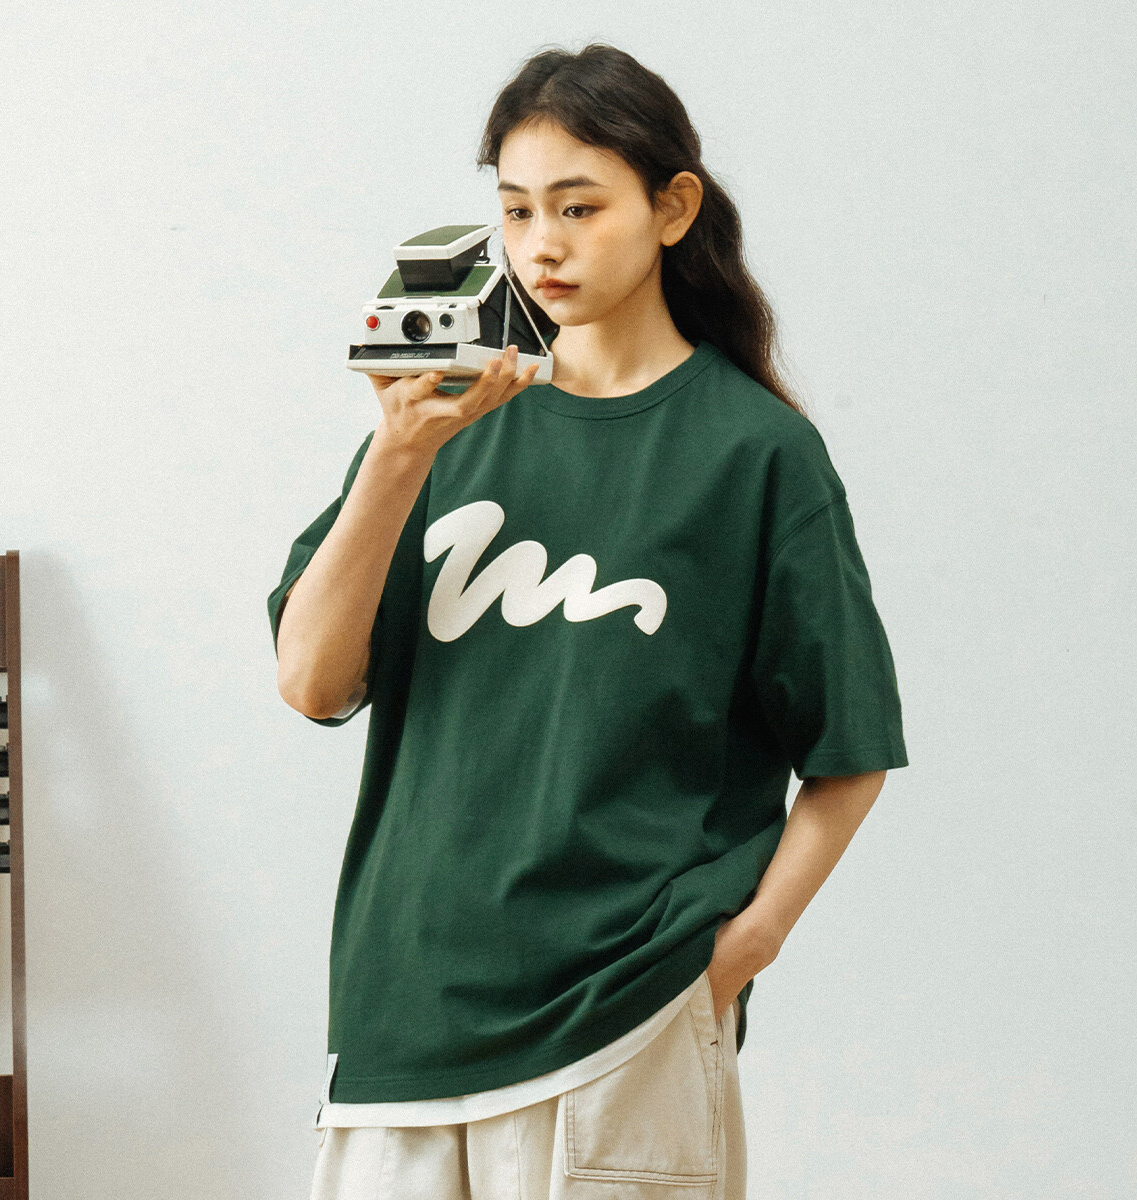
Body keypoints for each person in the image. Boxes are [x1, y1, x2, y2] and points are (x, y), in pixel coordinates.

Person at [269, 42, 908, 1200]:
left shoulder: (754, 453)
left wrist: (740, 951)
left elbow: (850, 749)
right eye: (517, 210)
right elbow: (313, 683)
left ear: (673, 209)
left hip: (622, 1023)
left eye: (579, 206)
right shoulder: (447, 425)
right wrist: (398, 453)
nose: (542, 245)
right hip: (399, 1021)